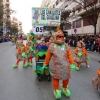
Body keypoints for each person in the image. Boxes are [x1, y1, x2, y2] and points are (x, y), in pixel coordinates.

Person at [43, 29, 75, 99]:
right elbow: (48, 56)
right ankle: (56, 89)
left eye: (62, 37)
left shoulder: (66, 46)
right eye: (59, 37)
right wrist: (45, 63)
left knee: (66, 78)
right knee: (56, 79)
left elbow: (69, 55)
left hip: (65, 66)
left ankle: (64, 87)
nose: (61, 38)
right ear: (55, 37)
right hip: (55, 66)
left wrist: (72, 63)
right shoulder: (51, 46)